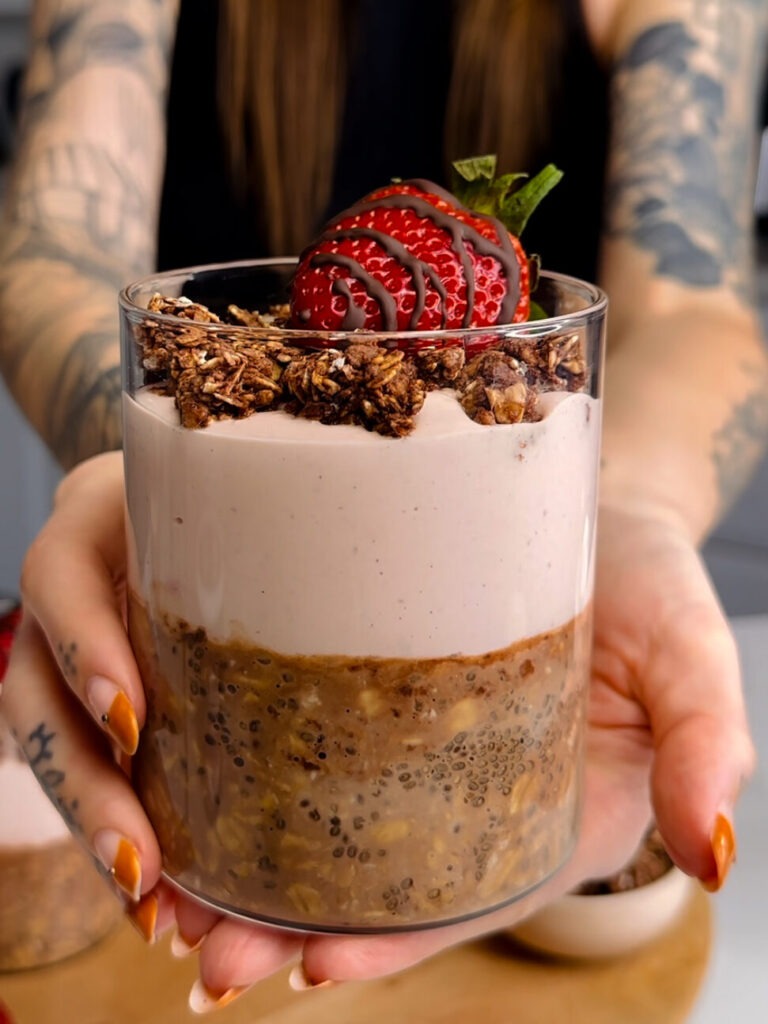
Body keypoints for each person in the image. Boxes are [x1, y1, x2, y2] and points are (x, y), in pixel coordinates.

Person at [0, 0, 766, 1012]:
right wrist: (142, 469)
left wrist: (625, 513)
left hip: (522, 555)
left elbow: (690, 304)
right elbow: (59, 237)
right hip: (194, 589)